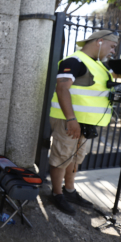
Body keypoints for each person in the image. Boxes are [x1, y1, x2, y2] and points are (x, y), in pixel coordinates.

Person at [49, 30, 119, 215]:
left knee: (75, 159)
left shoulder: (98, 65)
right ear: (99, 41)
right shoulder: (74, 61)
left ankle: (69, 191)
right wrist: (71, 119)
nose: (113, 51)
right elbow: (62, 88)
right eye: (112, 46)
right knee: (62, 157)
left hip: (85, 123)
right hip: (69, 120)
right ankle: (56, 194)